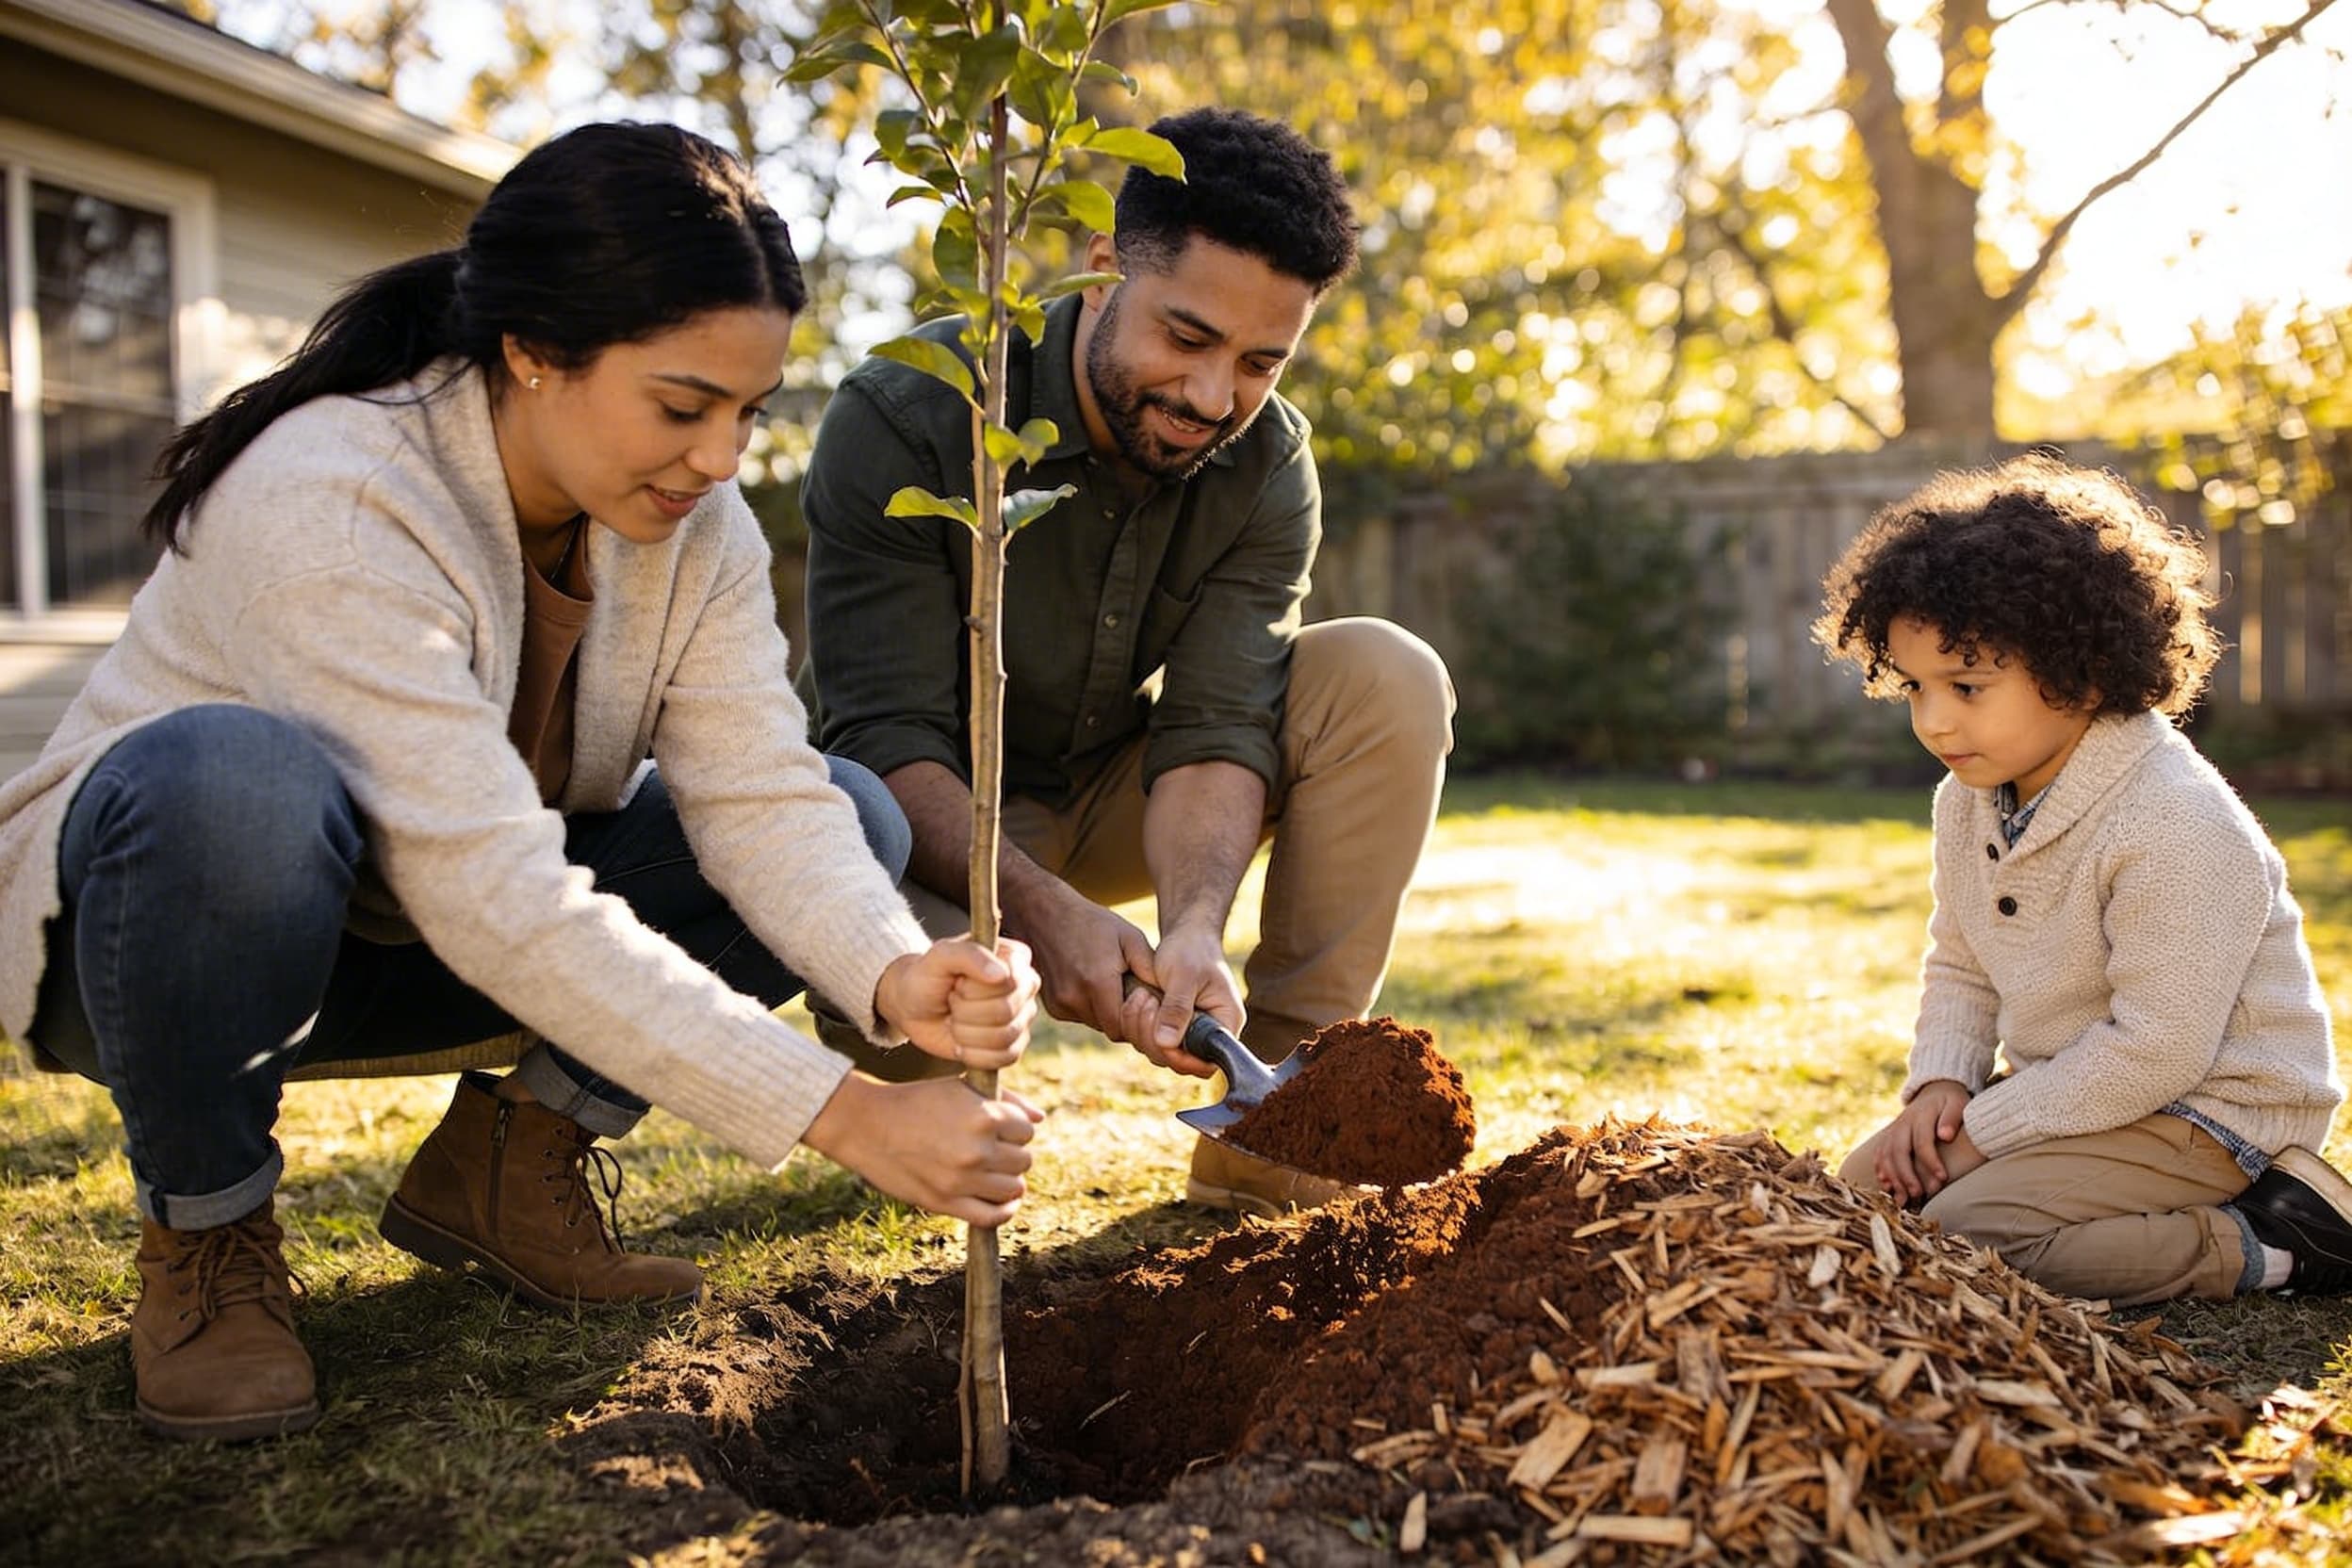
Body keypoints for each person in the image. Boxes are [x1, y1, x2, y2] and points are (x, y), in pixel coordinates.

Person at [0, 122, 1045, 1443]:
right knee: (234, 778)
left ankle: (513, 1167)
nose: (722, 459)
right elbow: (494, 890)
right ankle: (205, 1235)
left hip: (440, 941)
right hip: (167, 946)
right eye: (682, 406)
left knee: (851, 804)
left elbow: (759, 793)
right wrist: (841, 1114)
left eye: (747, 413)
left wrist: (893, 972)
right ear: (534, 354)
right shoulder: (336, 499)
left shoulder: (693, 524)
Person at [797, 107, 1456, 1217]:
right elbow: (880, 738)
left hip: (1104, 793)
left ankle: (1280, 1121)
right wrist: (1045, 916)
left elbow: (1216, 720)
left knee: (1383, 673)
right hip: (918, 832)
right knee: (919, 1022)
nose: (1212, 398)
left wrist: (1194, 923)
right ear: (1102, 270)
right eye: (1187, 339)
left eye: (1258, 361)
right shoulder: (913, 414)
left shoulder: (1267, 462)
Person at [1818, 453, 2351, 1306]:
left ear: (2080, 668)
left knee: (1961, 1242)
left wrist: (1980, 1135)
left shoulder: (2175, 820)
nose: (1934, 719)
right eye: (1915, 687)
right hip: (2077, 1090)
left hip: (2209, 1112)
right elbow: (1962, 964)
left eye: (1966, 685)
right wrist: (1944, 1088)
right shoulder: (1969, 802)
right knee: (1859, 1203)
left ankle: (2280, 1241)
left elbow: (2158, 1050)